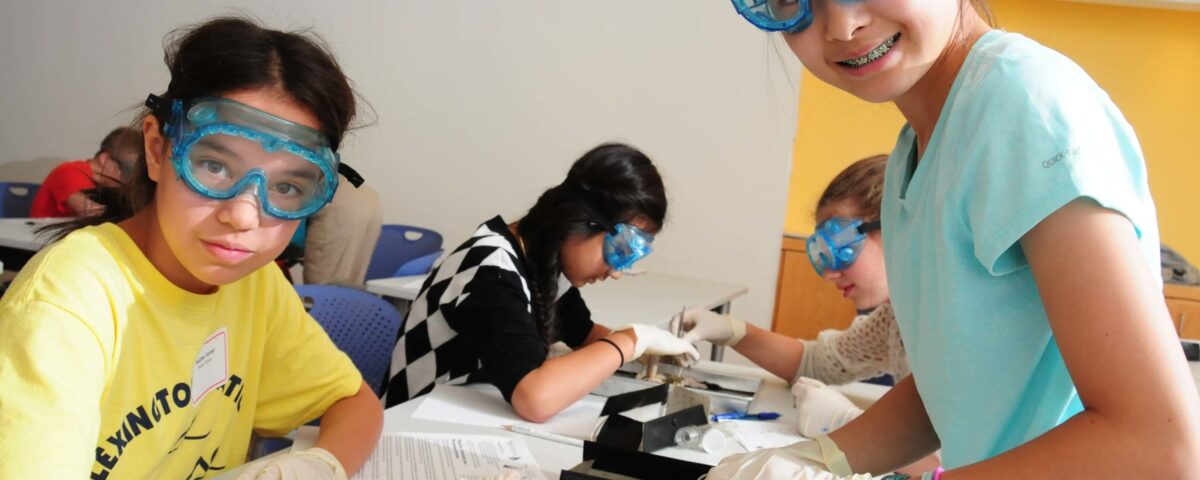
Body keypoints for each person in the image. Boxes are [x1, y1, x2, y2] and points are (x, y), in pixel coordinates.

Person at [711, 0, 1200, 478]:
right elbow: (959, 389)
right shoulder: (918, 148)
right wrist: (822, 457)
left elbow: (1159, 446)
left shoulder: (1020, 104)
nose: (841, 25)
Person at [0, 17, 382, 479]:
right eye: (214, 165)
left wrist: (321, 464)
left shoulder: (256, 285)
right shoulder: (68, 302)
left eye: (286, 187)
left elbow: (354, 401)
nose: (243, 216)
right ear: (158, 149)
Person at [384, 143, 700, 423]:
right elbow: (535, 399)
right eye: (619, 252)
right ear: (579, 220)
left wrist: (646, 351)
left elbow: (585, 335)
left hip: (464, 423)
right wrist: (632, 340)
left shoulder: (543, 260)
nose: (616, 272)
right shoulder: (490, 270)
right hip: (412, 431)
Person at [675, 154, 908, 438]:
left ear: (898, 227)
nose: (830, 274)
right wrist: (730, 330)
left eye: (841, 249)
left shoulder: (953, 324)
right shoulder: (898, 316)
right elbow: (815, 362)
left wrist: (847, 422)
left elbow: (959, 457)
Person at [30, 126, 142, 217]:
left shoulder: (102, 184)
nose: (129, 180)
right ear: (104, 159)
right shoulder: (69, 172)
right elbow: (89, 210)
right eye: (127, 171)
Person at [302, 173, 383, 287]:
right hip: (365, 196)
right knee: (351, 282)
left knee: (323, 291)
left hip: (337, 197)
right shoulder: (365, 191)